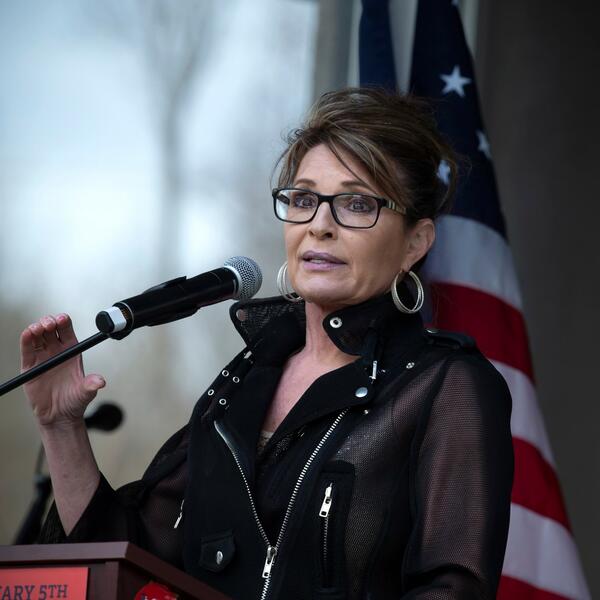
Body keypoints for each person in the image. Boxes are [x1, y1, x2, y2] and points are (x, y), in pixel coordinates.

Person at [24, 88, 513, 599]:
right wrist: (61, 426)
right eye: (303, 199)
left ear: (415, 242)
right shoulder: (242, 381)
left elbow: (452, 589)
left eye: (356, 204)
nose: (320, 225)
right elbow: (129, 561)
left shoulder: (446, 386)